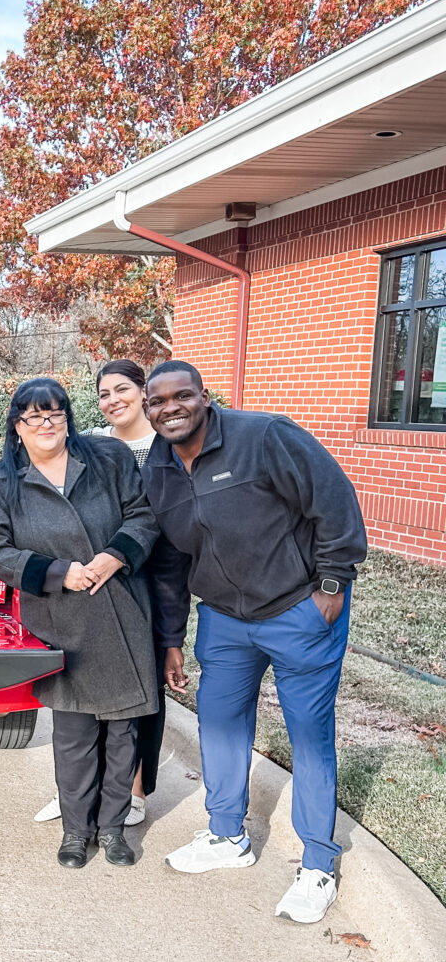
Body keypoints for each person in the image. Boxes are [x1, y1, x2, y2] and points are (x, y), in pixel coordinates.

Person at [142, 361, 367, 924]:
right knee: (219, 725)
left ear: (205, 397)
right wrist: (171, 636)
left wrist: (332, 585)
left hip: (297, 611)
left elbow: (333, 500)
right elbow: (169, 560)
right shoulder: (158, 468)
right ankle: (227, 836)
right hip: (224, 620)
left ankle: (317, 863)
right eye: (157, 401)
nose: (170, 408)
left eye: (182, 396)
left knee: (309, 737)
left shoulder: (264, 436)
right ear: (148, 410)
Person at [0, 378, 160, 869]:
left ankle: (113, 829)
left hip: (122, 610)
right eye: (34, 416)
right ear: (17, 426)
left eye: (55, 413)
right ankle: (77, 832)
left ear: (67, 418)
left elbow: (144, 516)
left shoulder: (108, 459)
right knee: (74, 735)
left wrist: (116, 556)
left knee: (123, 732)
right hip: (60, 620)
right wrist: (60, 573)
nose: (47, 423)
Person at [35, 359, 160, 828]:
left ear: (143, 390)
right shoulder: (90, 443)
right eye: (104, 393)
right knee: (83, 687)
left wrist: (122, 554)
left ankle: (133, 791)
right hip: (92, 574)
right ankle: (76, 794)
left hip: (149, 570)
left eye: (122, 389)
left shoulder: (165, 443)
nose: (113, 400)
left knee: (139, 688)